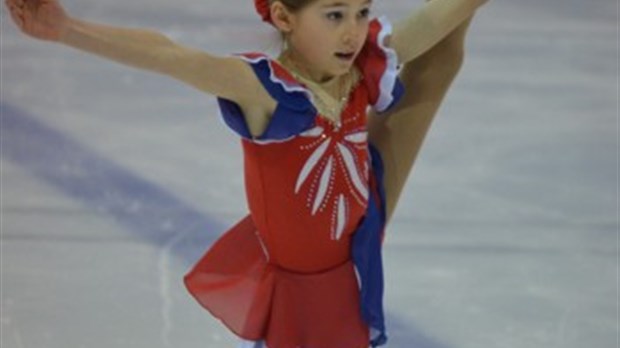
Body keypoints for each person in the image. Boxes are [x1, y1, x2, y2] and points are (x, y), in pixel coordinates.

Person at [5, 0, 487, 347]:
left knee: (439, 57)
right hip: (301, 290)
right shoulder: (266, 91)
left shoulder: (361, 70)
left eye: (362, 11)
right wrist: (67, 28)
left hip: (360, 234)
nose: (354, 31)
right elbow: (172, 55)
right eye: (335, 14)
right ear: (283, 17)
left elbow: (430, 19)